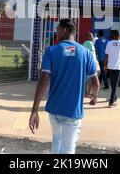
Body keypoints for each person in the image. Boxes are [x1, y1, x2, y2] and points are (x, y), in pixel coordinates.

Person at [29, 19, 99, 154]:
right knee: (68, 149)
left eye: (58, 29)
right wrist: (94, 96)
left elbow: (43, 80)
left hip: (54, 109)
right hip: (73, 112)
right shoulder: (85, 53)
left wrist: (35, 110)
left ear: (64, 30)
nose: (56, 32)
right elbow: (95, 82)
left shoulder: (51, 51)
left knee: (56, 140)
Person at [104, 29, 120, 107]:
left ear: (113, 35)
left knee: (114, 84)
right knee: (113, 84)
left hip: (112, 66)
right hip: (117, 66)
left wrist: (105, 65)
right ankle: (114, 97)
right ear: (119, 35)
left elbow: (106, 55)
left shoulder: (109, 43)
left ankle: (111, 102)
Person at [82, 32, 100, 97]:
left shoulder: (87, 43)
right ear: (89, 37)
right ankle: (87, 93)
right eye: (92, 36)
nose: (93, 37)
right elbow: (89, 54)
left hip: (89, 64)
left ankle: (87, 92)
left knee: (89, 79)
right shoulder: (88, 43)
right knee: (89, 80)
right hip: (90, 64)